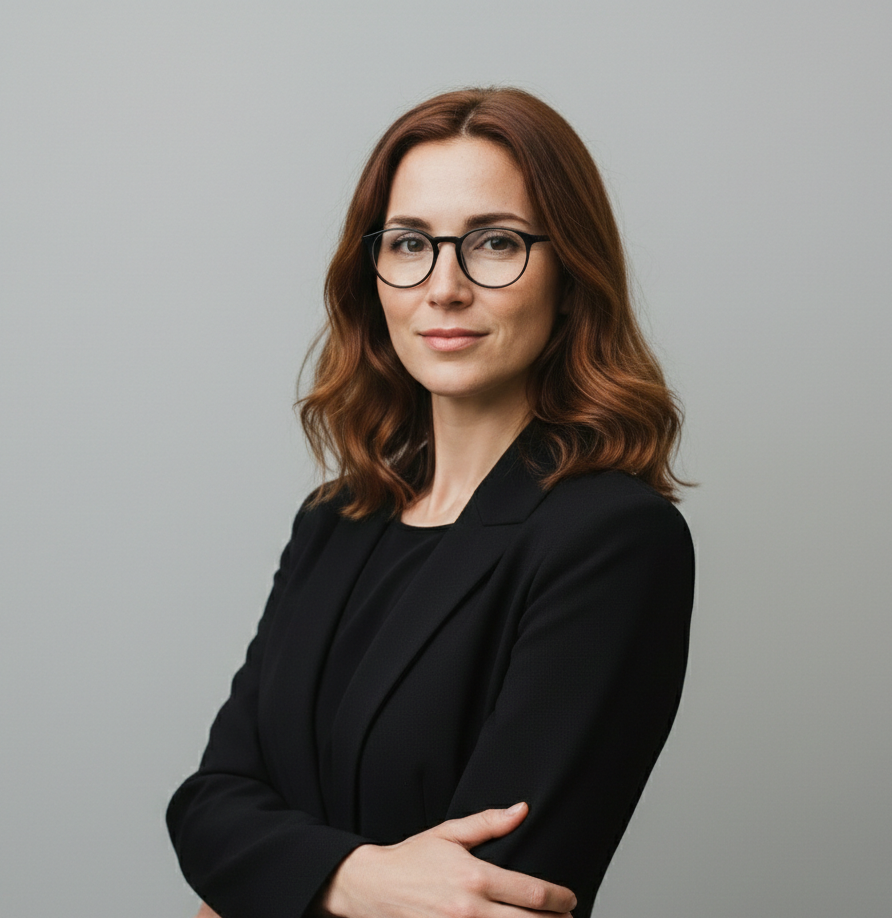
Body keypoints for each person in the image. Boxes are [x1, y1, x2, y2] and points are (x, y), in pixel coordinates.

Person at [166, 86, 694, 918]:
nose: (443, 287)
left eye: (494, 243)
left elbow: (490, 896)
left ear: (570, 276)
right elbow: (207, 809)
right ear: (373, 272)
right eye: (410, 243)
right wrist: (358, 880)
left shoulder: (615, 541)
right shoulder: (333, 521)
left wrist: (272, 883)